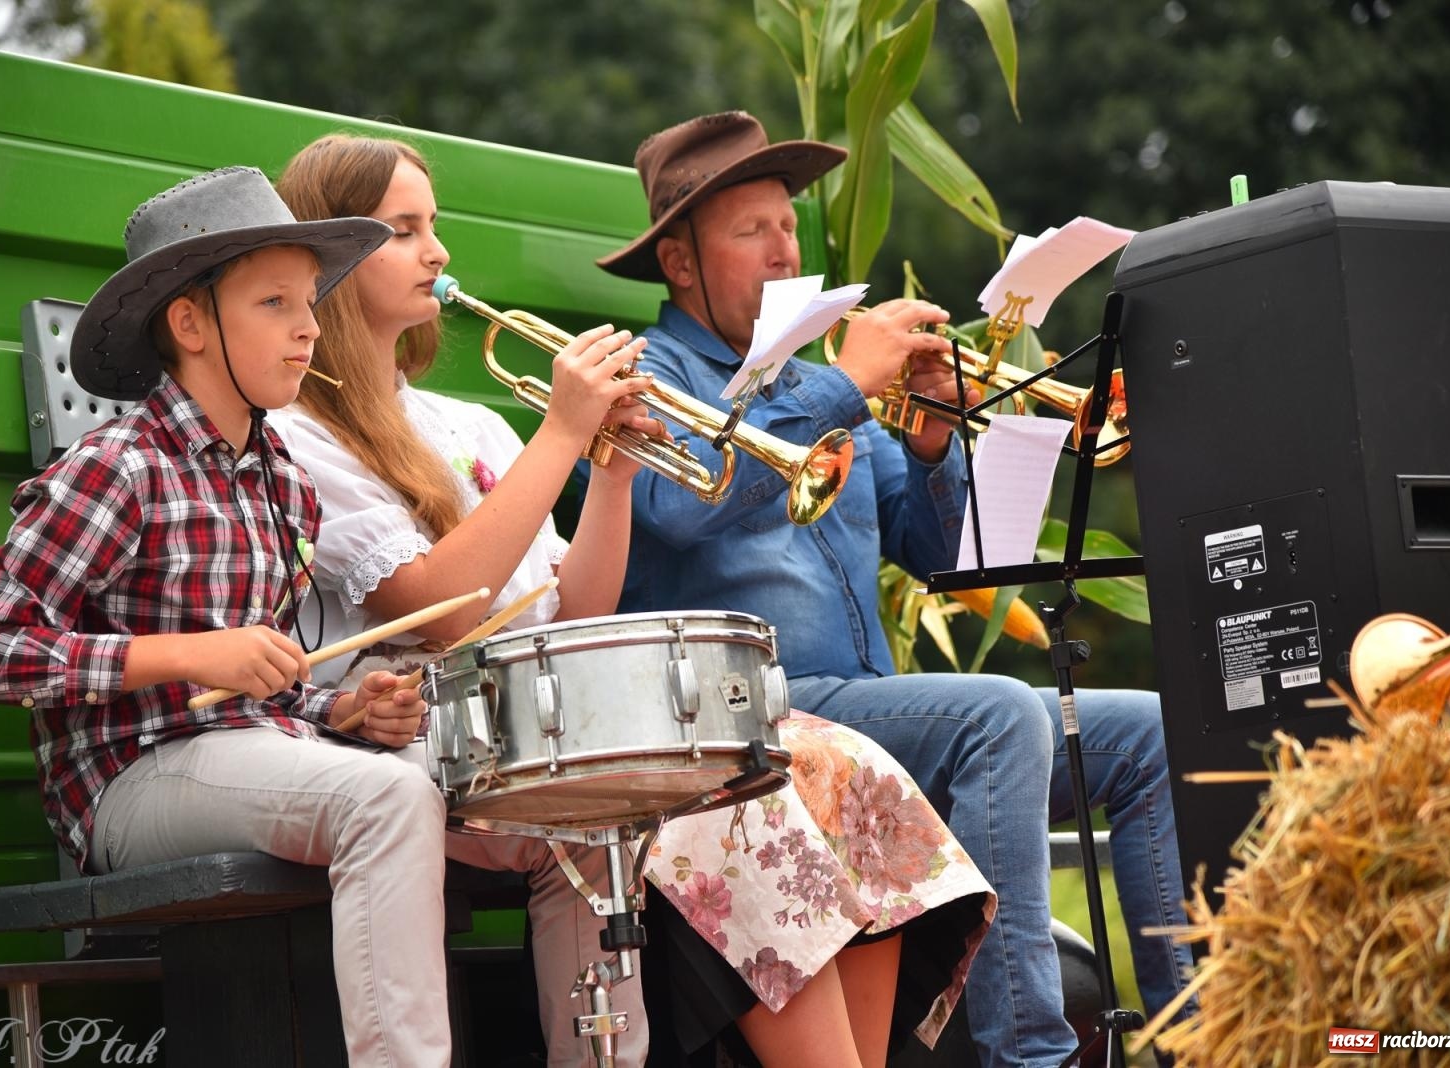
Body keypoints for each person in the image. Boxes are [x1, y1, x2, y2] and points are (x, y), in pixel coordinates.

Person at [270, 133, 995, 1068]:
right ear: (331, 256)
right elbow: (444, 611)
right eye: (404, 232)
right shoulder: (300, 435)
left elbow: (578, 613)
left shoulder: (473, 421)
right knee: (733, 794)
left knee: (838, 765)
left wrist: (608, 471)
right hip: (444, 737)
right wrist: (563, 437)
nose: (439, 251)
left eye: (434, 226)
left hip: (547, 723)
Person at [591, 111, 1195, 1068]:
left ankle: (1198, 1044)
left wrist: (932, 443)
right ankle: (1030, 1058)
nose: (783, 249)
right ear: (677, 261)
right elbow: (676, 511)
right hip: (755, 712)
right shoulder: (651, 373)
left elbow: (947, 559)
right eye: (749, 231)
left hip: (866, 709)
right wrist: (841, 388)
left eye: (788, 226)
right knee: (1000, 716)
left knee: (1147, 735)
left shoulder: (813, 379)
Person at [0, 167, 453, 1067]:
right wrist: (183, 654)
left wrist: (340, 709)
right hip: (130, 781)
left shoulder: (284, 482)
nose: (308, 327)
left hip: (250, 757)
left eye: (310, 301)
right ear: (190, 323)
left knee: (489, 789)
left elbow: (255, 692)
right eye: (274, 302)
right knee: (391, 795)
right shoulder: (119, 467)